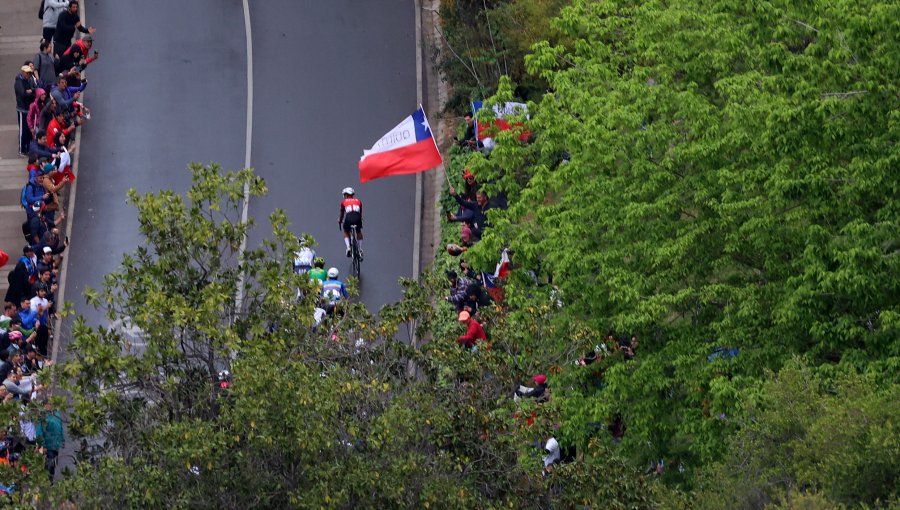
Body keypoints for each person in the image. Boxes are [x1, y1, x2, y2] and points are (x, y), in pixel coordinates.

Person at [36, 398, 65, 480]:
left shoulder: (57, 413)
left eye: (52, 404)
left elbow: (60, 427)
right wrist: (43, 445)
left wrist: (62, 439)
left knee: (54, 463)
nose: (50, 405)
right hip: (48, 445)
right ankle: (48, 481)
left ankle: (49, 480)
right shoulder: (42, 416)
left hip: (56, 444)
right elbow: (39, 432)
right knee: (49, 464)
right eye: (49, 404)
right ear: (45, 405)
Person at [15, 65, 38, 155]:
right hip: (22, 108)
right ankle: (21, 149)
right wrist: (30, 93)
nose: (29, 74)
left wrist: (30, 91)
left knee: (28, 130)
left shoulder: (27, 80)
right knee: (22, 130)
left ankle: (27, 148)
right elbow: (23, 94)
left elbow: (33, 90)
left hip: (27, 108)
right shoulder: (19, 82)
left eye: (30, 73)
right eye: (27, 73)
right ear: (23, 73)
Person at [338, 187, 363, 258]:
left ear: (346, 195)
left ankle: (348, 247)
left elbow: (342, 214)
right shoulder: (359, 201)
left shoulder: (343, 202)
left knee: (346, 231)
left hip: (349, 218)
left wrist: (339, 221)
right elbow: (360, 214)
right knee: (359, 231)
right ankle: (360, 249)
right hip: (357, 218)